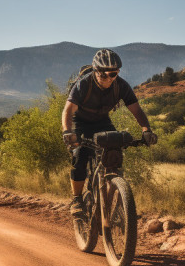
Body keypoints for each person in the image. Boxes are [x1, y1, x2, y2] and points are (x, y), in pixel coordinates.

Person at [62, 48, 157, 217]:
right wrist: (68, 132)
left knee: (114, 153)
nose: (108, 79)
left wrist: (146, 130)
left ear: (118, 72)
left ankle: (117, 195)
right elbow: (68, 111)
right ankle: (76, 199)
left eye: (113, 74)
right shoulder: (84, 84)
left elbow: (136, 110)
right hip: (80, 122)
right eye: (103, 75)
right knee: (80, 154)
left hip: (102, 121)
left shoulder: (121, 85)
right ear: (96, 71)